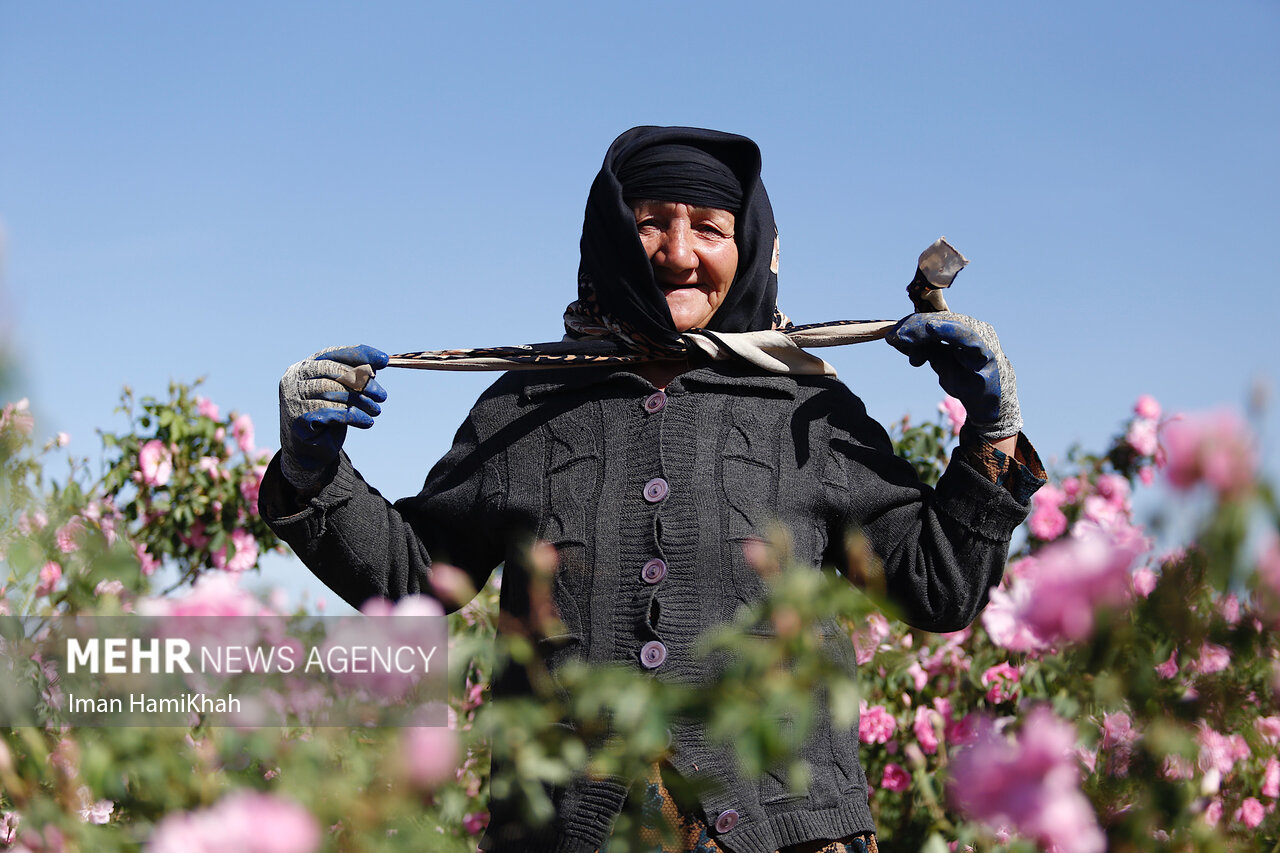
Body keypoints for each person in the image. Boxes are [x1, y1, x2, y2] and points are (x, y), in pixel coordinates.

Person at [260, 125, 1045, 853]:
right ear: (610, 235)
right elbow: (413, 576)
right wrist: (311, 470)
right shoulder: (526, 403)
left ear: (750, 247)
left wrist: (992, 429)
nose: (677, 252)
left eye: (708, 227)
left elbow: (938, 590)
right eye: (649, 222)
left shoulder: (808, 405)